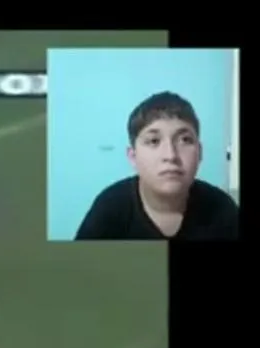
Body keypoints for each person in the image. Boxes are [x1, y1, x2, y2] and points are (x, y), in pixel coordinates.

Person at [74, 92, 238, 240]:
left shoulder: (222, 208)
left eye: (185, 140)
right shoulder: (110, 208)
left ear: (200, 153)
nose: (170, 155)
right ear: (133, 157)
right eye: (153, 141)